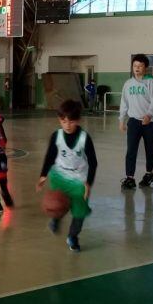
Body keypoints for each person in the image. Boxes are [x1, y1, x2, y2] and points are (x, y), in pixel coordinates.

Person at [36, 100, 98, 252]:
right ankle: (56, 219)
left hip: (79, 181)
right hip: (59, 176)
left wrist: (88, 183)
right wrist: (43, 175)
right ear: (59, 120)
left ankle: (72, 236)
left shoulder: (84, 138)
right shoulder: (56, 136)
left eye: (71, 121)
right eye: (63, 121)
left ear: (78, 120)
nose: (67, 124)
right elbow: (50, 156)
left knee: (79, 213)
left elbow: (93, 162)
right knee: (57, 203)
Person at [119, 54, 153, 189]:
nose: (137, 68)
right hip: (134, 122)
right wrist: (121, 120)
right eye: (135, 66)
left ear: (145, 68)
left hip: (149, 122)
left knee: (149, 149)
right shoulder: (128, 84)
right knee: (131, 150)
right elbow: (124, 103)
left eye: (140, 66)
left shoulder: (150, 82)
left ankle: (149, 173)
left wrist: (149, 115)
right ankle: (130, 177)